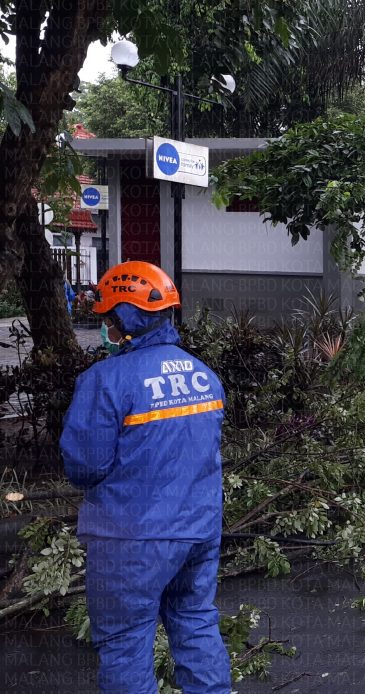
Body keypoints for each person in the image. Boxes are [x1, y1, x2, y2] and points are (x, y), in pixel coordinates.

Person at [60, 261, 231, 692]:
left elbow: (85, 466)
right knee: (195, 625)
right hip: (199, 531)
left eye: (108, 320)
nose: (107, 330)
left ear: (125, 318)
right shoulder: (204, 377)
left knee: (124, 643)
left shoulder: (105, 381)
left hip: (130, 541)